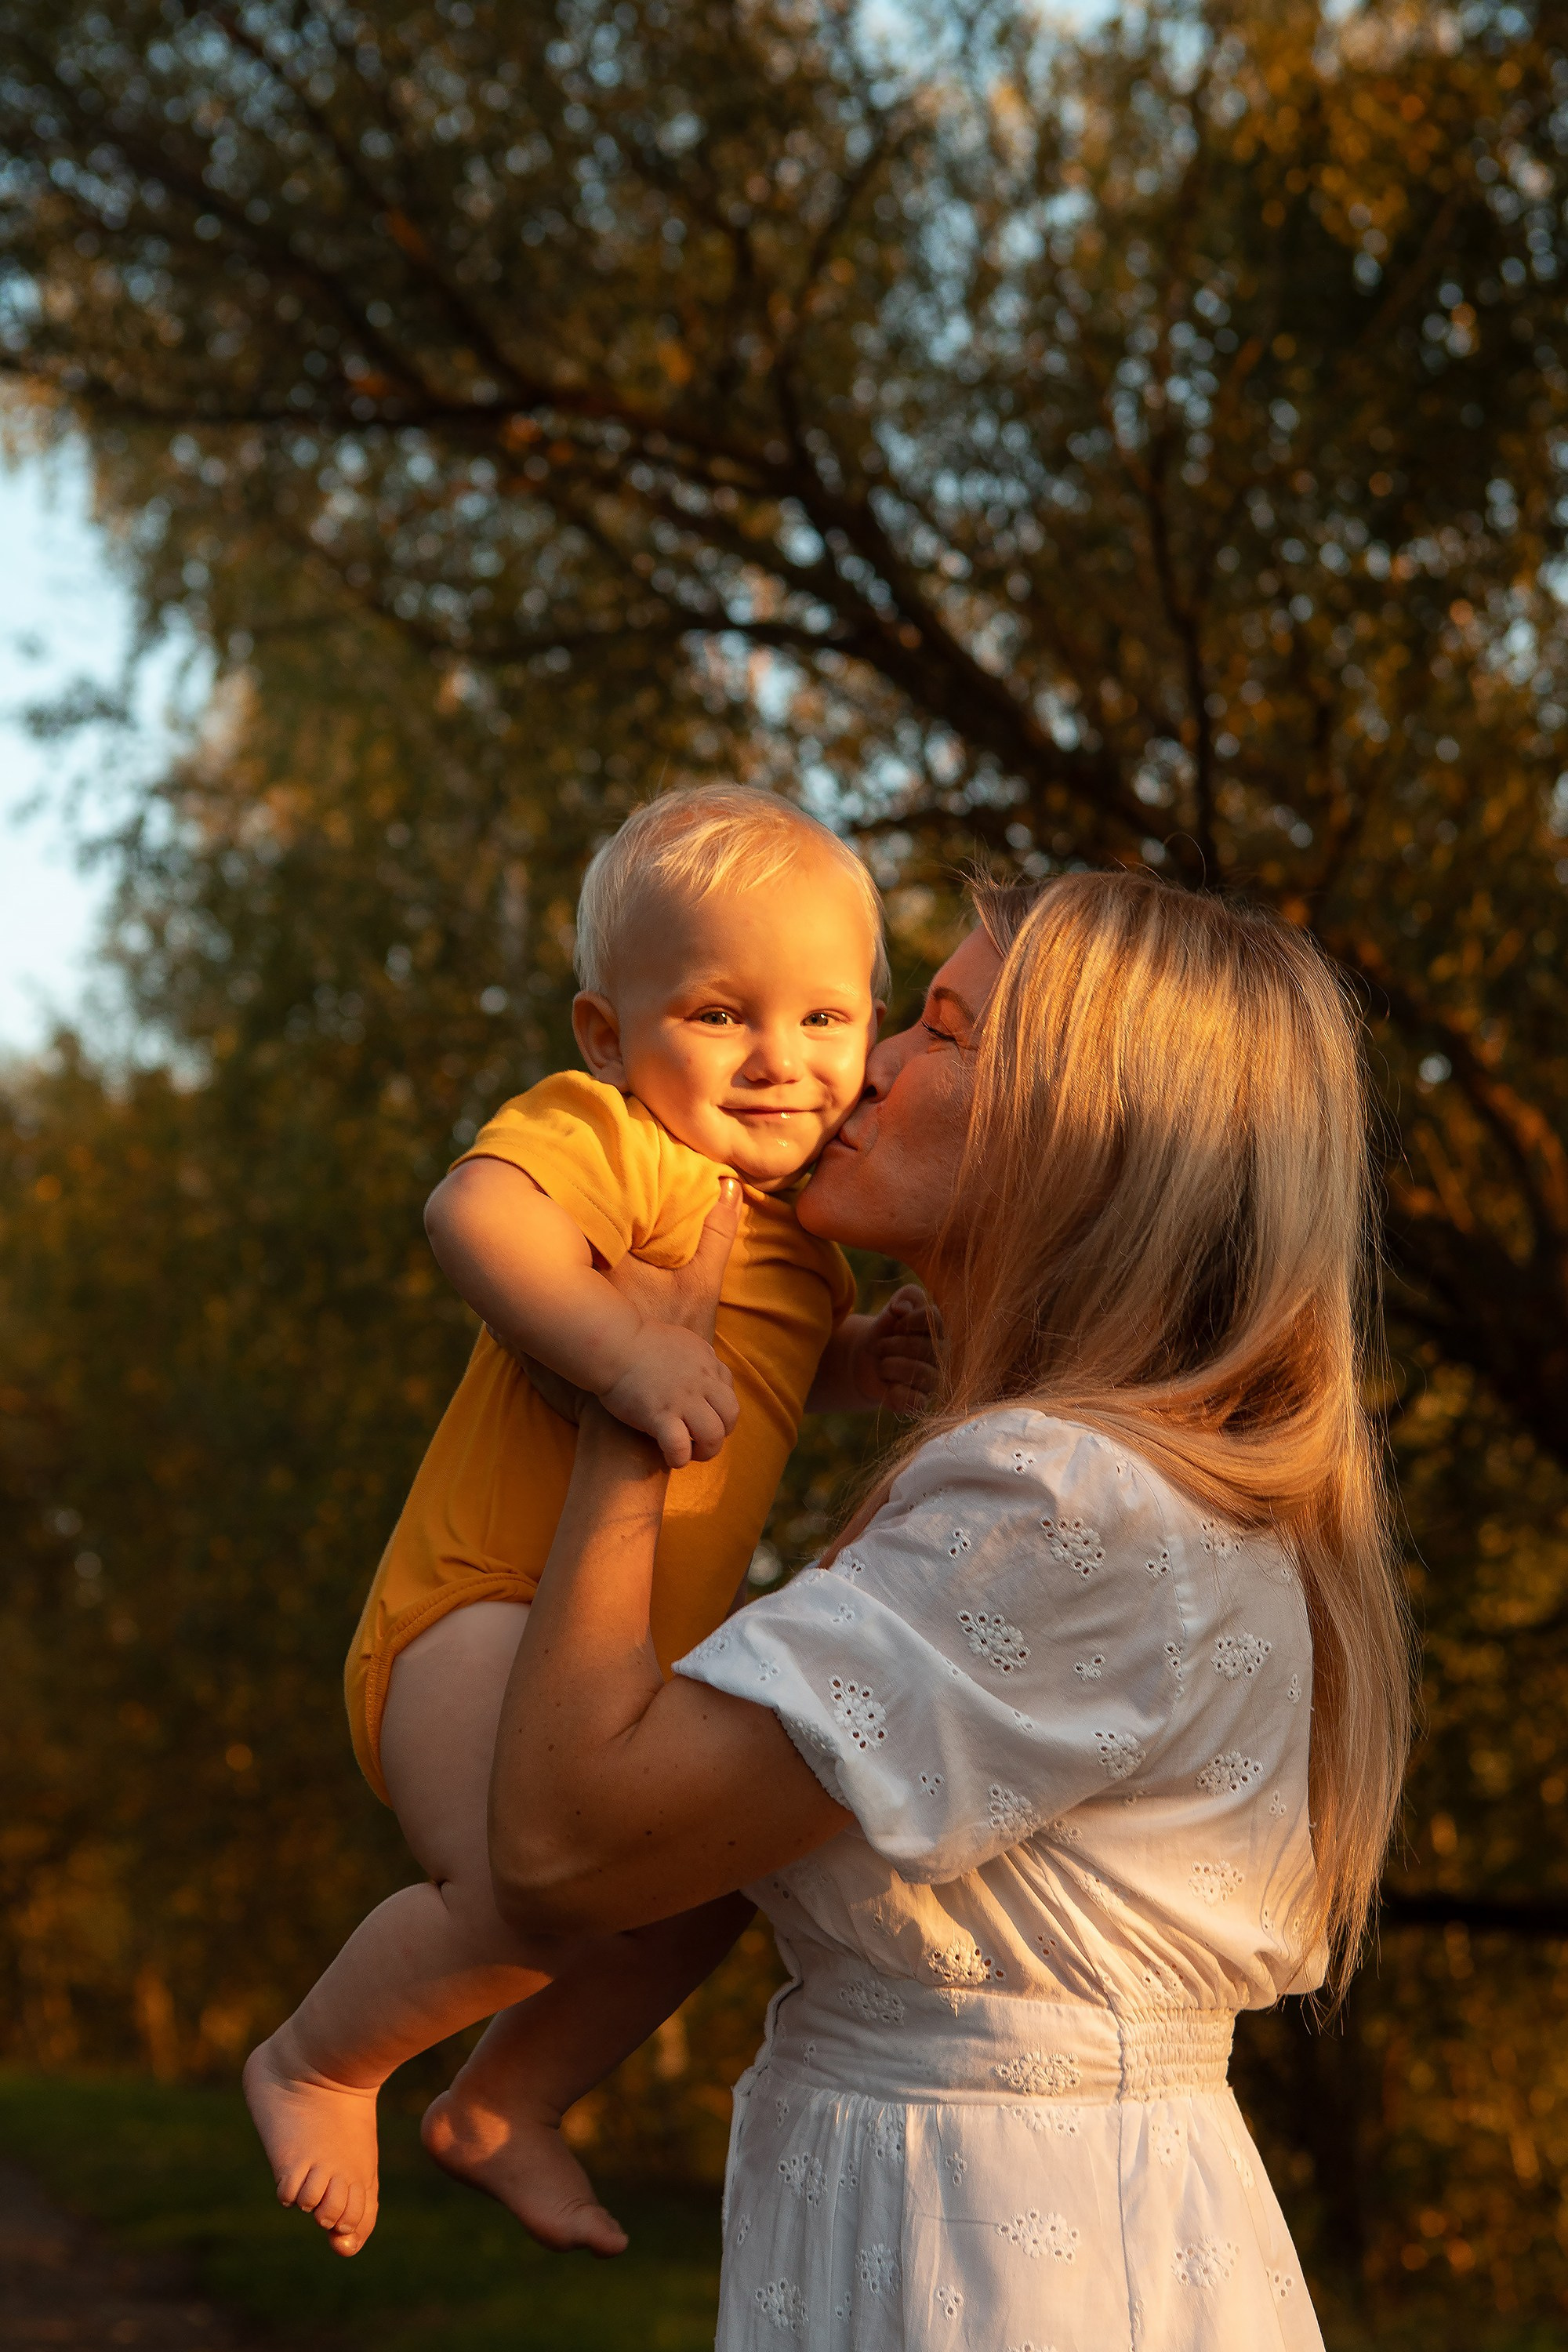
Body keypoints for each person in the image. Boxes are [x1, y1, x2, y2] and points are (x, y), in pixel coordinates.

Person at [486, 869, 1414, 2349]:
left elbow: (558, 1843)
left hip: (1003, 2268)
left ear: (1097, 1138)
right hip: (1001, 2221)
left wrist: (630, 1393)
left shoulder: (1067, 1507)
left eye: (944, 1028)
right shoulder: (1105, 1485)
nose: (870, 1069)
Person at [243, 786, 935, 2259]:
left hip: (616, 1661)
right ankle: (321, 2057)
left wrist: (854, 1363)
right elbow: (472, 1216)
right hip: (479, 1614)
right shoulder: (625, 1149)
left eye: (826, 1020)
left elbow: (751, 1362)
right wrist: (619, 1350)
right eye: (718, 1012)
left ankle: (508, 2104)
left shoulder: (806, 1240)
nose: (781, 1060)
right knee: (520, 1893)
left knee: (714, 1887)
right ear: (610, 1038)